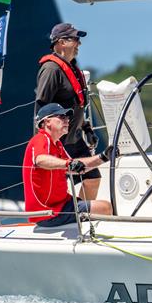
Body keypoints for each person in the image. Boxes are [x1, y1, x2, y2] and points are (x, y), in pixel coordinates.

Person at [36, 22, 102, 200]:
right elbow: (41, 107)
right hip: (60, 140)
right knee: (59, 185)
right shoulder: (51, 70)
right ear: (61, 42)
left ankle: (82, 214)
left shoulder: (72, 68)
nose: (79, 43)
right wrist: (43, 143)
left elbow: (76, 104)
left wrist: (87, 129)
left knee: (93, 178)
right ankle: (71, 217)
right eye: (75, 39)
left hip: (75, 138)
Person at [23, 103, 114, 227]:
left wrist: (103, 157)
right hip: (48, 212)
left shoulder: (57, 144)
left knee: (103, 208)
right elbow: (40, 159)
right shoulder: (40, 139)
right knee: (105, 208)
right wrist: (68, 164)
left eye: (67, 117)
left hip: (63, 204)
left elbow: (76, 168)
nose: (67, 120)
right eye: (62, 117)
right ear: (47, 121)